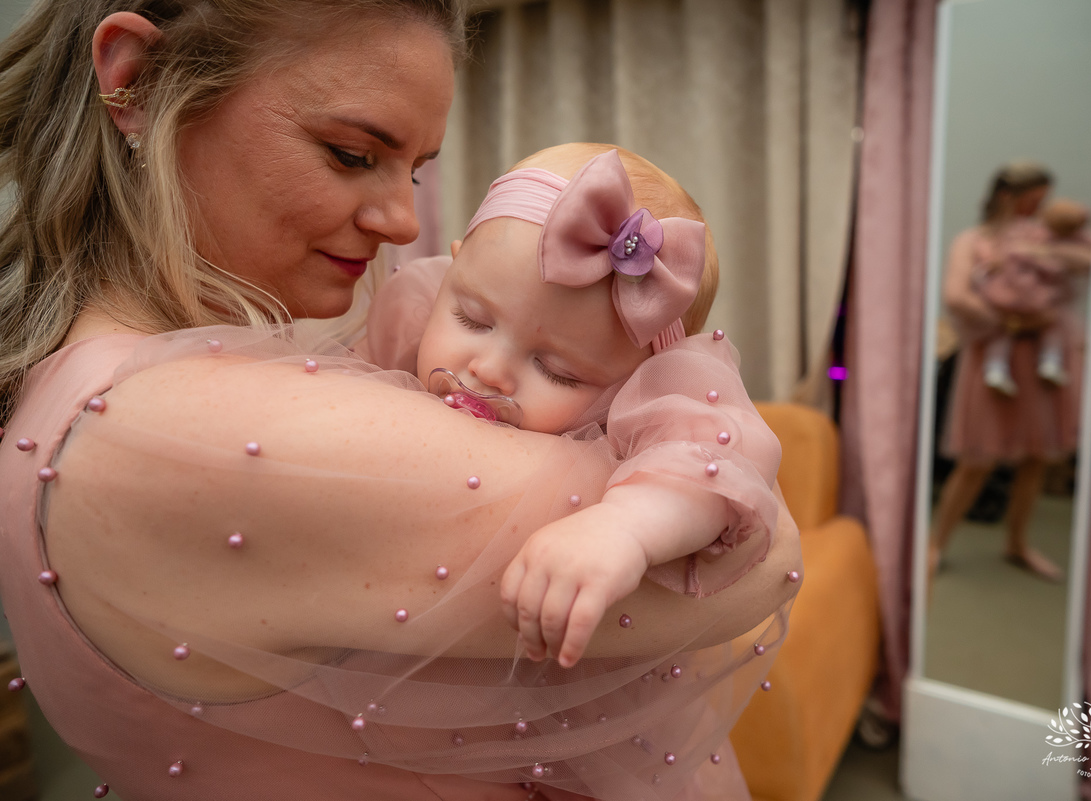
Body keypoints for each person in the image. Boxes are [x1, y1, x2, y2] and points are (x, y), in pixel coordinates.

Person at [0, 3, 802, 801]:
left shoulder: (76, 387)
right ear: (136, 80)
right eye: (351, 153)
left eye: (414, 169)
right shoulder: (190, 427)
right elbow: (763, 560)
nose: (402, 220)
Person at [360, 143, 782, 669]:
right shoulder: (411, 317)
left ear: (633, 381)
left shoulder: (655, 401)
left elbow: (714, 467)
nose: (489, 370)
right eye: (472, 319)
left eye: (557, 370)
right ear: (451, 268)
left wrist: (625, 530)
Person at [928, 162, 1089, 583]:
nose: (1038, 210)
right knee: (976, 458)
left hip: (1041, 360)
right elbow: (956, 296)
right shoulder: (974, 240)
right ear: (1007, 196)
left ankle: (1017, 542)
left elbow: (1077, 269)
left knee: (1036, 456)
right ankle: (935, 544)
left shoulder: (1043, 239)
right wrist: (1010, 322)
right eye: (1032, 201)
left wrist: (1046, 310)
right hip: (995, 356)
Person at [972, 197, 1091, 396]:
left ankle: (1000, 367)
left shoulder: (1033, 239)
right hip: (1028, 294)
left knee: (1018, 332)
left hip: (1015, 293)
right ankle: (1047, 362)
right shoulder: (1036, 242)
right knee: (1046, 328)